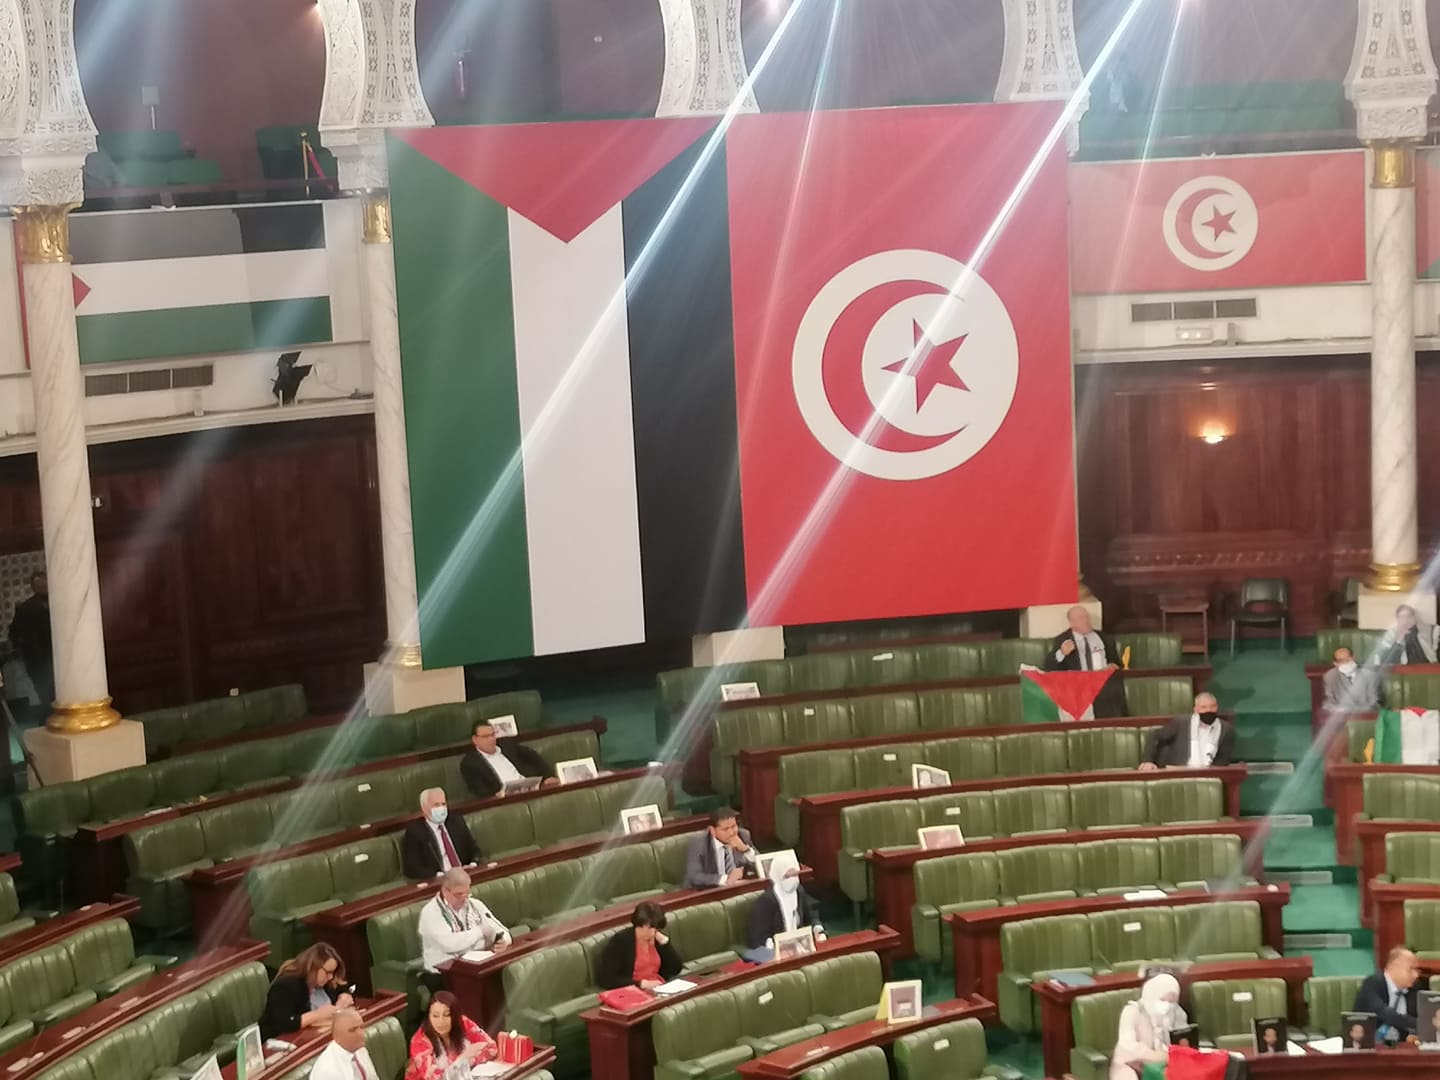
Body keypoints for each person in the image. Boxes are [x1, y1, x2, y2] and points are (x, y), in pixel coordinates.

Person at [417, 868, 511, 989]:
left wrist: (503, 941)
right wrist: (480, 932)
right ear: (445, 891)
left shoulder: (475, 905)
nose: (464, 898)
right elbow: (450, 944)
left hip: (476, 967)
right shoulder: (431, 913)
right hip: (443, 974)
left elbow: (500, 930)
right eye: (458, 894)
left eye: (467, 893)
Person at [259, 943, 354, 1040]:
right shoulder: (286, 985)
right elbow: (283, 1023)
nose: (330, 977)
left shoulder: (325, 982)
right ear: (313, 967)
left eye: (333, 972)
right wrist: (318, 1015)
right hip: (279, 1042)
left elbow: (344, 987)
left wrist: (345, 996)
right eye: (328, 972)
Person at [1045, 606, 1126, 717]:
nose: (1087, 621)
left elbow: (1118, 664)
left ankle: (1114, 723)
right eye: (1082, 618)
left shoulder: (1103, 637)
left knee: (1112, 689)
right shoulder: (1063, 640)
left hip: (1104, 682)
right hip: (1079, 685)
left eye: (1087, 617)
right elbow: (1049, 668)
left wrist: (1113, 666)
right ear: (1072, 623)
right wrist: (1062, 653)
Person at [744, 856, 822, 962]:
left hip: (800, 946)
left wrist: (817, 927)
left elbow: (810, 915)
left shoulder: (799, 891)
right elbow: (757, 938)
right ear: (778, 877)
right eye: (787, 876)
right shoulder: (766, 901)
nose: (793, 880)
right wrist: (773, 945)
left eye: (795, 875)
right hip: (776, 952)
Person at [1109, 973, 1187, 1080]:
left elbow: (1183, 1039)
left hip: (1165, 1062)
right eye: (1162, 999)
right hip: (1131, 1062)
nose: (1167, 1005)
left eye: (1171, 1001)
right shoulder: (1132, 1011)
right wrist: (1154, 1056)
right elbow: (1127, 1044)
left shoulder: (1177, 1012)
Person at [404, 991, 497, 1080]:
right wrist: (462, 1060)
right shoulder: (420, 1041)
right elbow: (434, 1078)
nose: (441, 1021)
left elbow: (491, 1048)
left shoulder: (463, 1022)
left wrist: (472, 1059)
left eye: (447, 1015)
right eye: (435, 1016)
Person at [459, 720, 558, 799]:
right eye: (486, 736)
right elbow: (480, 791)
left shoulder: (507, 745)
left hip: (531, 788)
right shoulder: (469, 763)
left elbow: (533, 757)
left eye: (493, 735)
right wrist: (496, 796)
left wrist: (548, 775)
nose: (491, 739)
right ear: (475, 739)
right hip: (506, 799)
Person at [597, 901, 682, 990]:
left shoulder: (657, 939)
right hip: (635, 990)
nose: (653, 932)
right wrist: (641, 984)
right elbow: (607, 979)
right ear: (639, 924)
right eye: (649, 928)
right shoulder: (621, 941)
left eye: (656, 928)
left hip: (659, 987)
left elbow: (675, 969)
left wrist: (666, 944)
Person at [1138, 693, 1235, 770]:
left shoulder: (1226, 729)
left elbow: (1223, 760)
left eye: (1212, 706)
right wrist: (1148, 761)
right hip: (1178, 771)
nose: (1208, 710)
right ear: (1196, 709)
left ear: (1217, 707)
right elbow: (1154, 735)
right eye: (1203, 707)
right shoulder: (1181, 723)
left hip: (1208, 775)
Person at [401, 788, 482, 879]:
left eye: (443, 804)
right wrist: (438, 875)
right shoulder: (415, 832)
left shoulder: (456, 821)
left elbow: (474, 850)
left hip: (465, 874)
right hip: (441, 880)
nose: (441, 808)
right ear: (424, 809)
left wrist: (473, 864)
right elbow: (412, 868)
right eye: (436, 805)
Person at [1353, 946, 1422, 1041]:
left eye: (1417, 970)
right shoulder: (1373, 983)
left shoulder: (1415, 990)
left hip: (1399, 1048)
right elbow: (1383, 1013)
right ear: (1394, 966)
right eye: (1411, 969)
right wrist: (1422, 1026)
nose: (1416, 975)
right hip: (1365, 1044)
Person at [683, 807, 758, 888]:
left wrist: (745, 850)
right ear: (712, 831)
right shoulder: (698, 843)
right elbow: (695, 877)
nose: (731, 833)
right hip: (702, 891)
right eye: (725, 829)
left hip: (735, 890)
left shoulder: (743, 835)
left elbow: (762, 865)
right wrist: (727, 879)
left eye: (733, 826)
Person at [7, 572, 51, 711]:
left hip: (55, 659)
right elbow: (14, 634)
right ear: (33, 587)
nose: (43, 587)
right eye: (39, 584)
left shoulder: (59, 603)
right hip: (37, 660)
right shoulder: (26, 608)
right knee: (46, 695)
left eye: (44, 583)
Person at [309, 1008, 379, 1080]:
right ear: (337, 1036)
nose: (361, 1033)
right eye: (352, 1030)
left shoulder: (359, 1048)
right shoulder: (327, 1071)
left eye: (361, 1027)